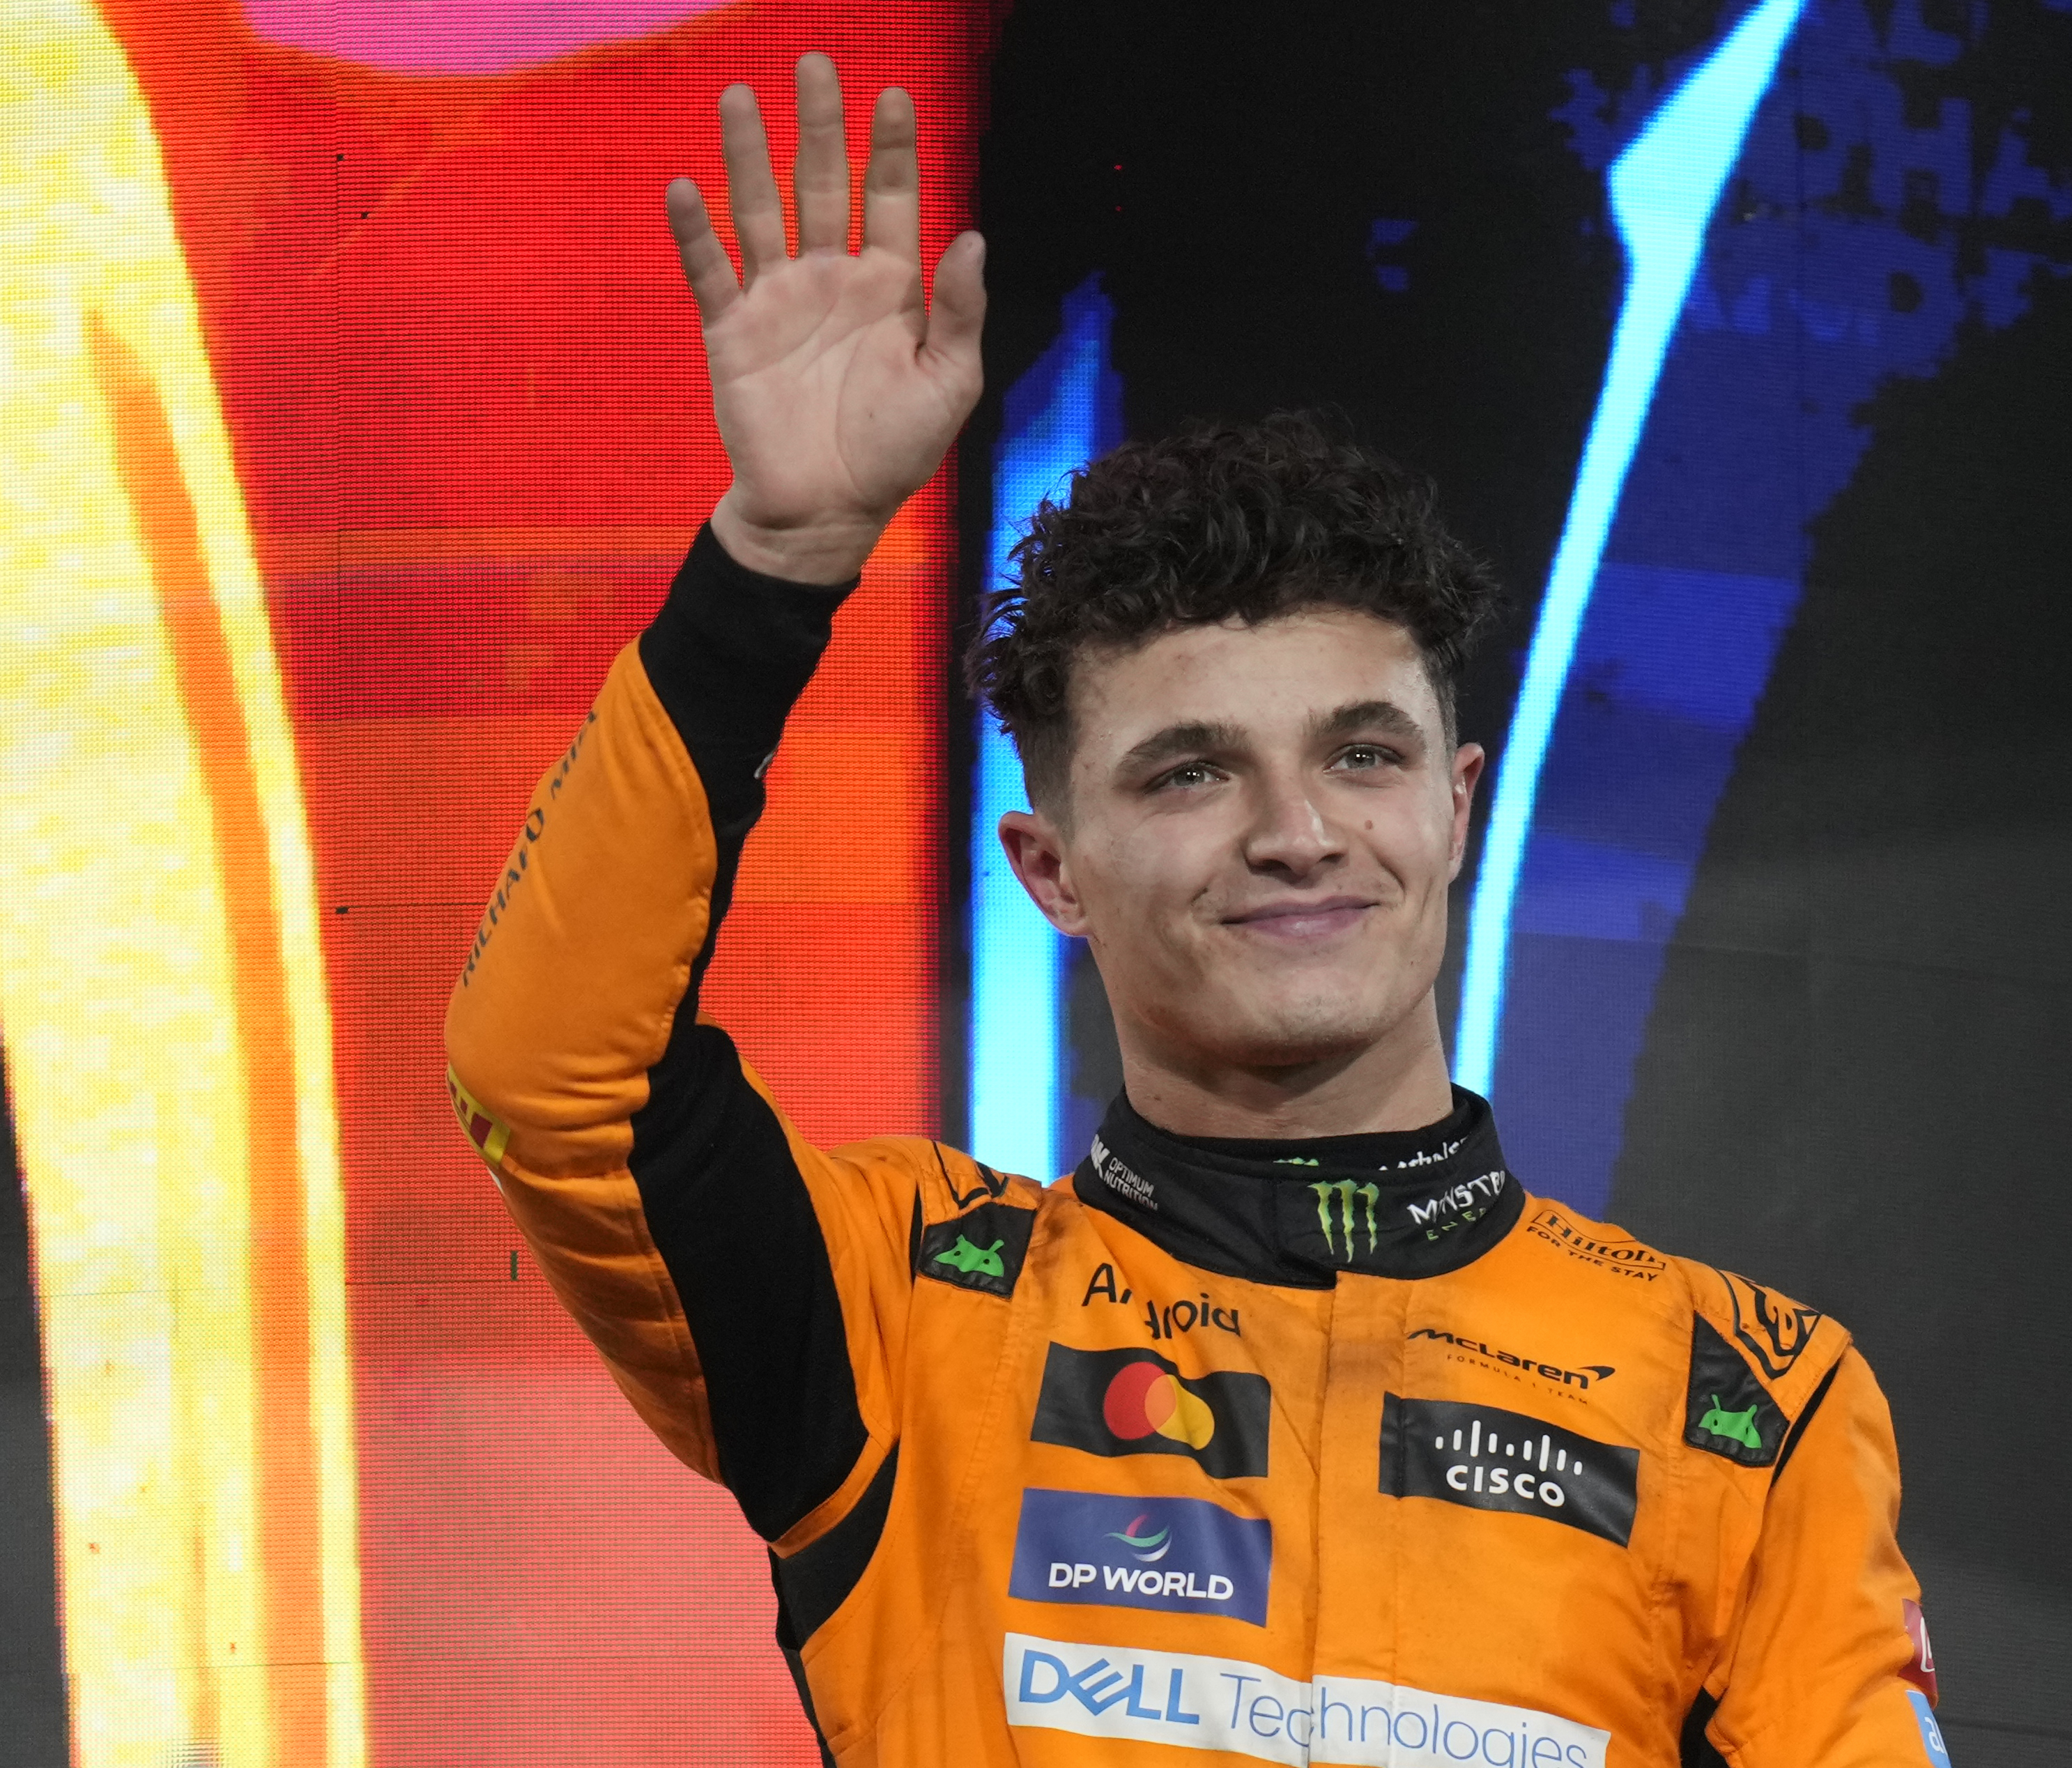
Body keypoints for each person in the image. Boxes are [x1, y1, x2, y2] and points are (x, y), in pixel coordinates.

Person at [443, 52, 1947, 1768]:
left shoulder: (1743, 1401)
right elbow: (552, 1077)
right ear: (1051, 870)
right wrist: (771, 568)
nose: (1296, 833)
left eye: (1362, 755)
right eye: (1189, 774)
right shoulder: (909, 1312)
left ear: (1453, 808)